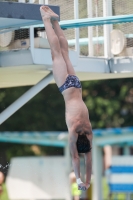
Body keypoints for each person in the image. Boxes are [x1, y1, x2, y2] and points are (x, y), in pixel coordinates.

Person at [40, 6, 92, 191]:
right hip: (66, 87)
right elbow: (77, 158)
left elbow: (88, 158)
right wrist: (78, 181)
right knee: (56, 52)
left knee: (65, 51)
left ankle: (55, 21)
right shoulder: (73, 132)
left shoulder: (89, 130)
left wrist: (87, 181)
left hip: (76, 85)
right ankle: (46, 19)